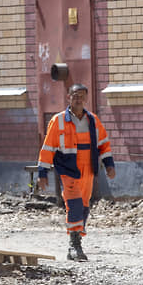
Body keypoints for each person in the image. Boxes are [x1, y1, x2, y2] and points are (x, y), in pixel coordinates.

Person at [37, 83, 115, 261]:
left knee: (85, 206)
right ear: (68, 97)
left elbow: (103, 144)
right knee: (74, 204)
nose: (78, 99)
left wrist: (109, 164)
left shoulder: (93, 120)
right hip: (68, 168)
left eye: (81, 96)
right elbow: (48, 148)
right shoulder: (58, 121)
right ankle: (74, 245)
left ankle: (77, 239)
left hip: (88, 168)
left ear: (86, 98)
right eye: (74, 95)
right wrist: (43, 172)